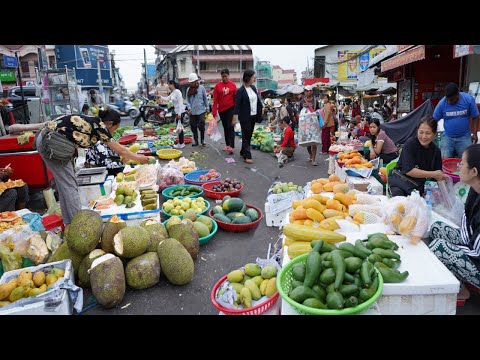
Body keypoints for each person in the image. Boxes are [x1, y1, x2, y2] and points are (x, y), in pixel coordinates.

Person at [35, 110, 150, 225]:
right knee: (70, 186)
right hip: (52, 143)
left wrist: (126, 156)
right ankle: (78, 225)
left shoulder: (94, 122)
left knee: (66, 185)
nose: (112, 133)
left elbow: (118, 151)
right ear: (109, 123)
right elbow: (121, 150)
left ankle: (69, 222)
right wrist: (142, 159)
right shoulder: (99, 127)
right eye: (114, 129)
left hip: (51, 140)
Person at [428, 144, 480, 301]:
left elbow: (477, 252)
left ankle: (461, 287)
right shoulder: (474, 189)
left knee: (439, 247)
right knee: (437, 228)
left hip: (478, 257)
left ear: (474, 171)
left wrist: (452, 249)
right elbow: (465, 221)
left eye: (462, 163)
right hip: (473, 246)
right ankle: (461, 284)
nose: (458, 166)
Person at [388, 116, 445, 197]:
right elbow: (409, 170)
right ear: (417, 131)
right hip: (400, 182)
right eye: (421, 132)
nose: (424, 136)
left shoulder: (436, 151)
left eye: (428, 133)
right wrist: (433, 174)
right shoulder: (410, 144)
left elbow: (437, 176)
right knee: (400, 203)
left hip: (418, 187)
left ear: (434, 134)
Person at [433, 82, 480, 159]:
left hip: (464, 137)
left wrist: (474, 133)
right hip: (448, 136)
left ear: (458, 94)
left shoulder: (468, 99)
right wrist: (432, 135)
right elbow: (434, 120)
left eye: (451, 100)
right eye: (447, 99)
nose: (449, 102)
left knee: (467, 160)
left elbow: (476, 116)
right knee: (444, 159)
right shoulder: (442, 103)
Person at [233, 69, 263, 164]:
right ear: (248, 78)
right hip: (244, 116)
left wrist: (260, 111)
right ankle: (247, 156)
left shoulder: (253, 88)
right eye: (253, 77)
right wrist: (235, 116)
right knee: (246, 135)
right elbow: (237, 105)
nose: (254, 79)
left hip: (253, 116)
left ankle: (243, 151)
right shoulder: (240, 91)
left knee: (249, 135)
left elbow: (258, 101)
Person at [85, 110, 125, 176]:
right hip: (96, 173)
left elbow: (112, 151)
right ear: (110, 124)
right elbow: (105, 164)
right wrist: (123, 162)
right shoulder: (98, 139)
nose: (114, 131)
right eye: (115, 129)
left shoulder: (106, 136)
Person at [212, 69, 237, 154]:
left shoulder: (233, 85)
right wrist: (214, 112)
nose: (224, 78)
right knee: (225, 127)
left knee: (230, 127)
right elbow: (215, 100)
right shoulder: (217, 86)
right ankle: (227, 145)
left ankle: (232, 146)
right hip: (222, 110)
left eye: (226, 76)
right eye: (223, 77)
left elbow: (236, 99)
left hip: (231, 108)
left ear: (229, 76)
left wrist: (236, 112)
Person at [298, 85, 321, 166]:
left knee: (314, 142)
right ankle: (311, 155)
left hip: (314, 125)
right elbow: (299, 113)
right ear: (305, 92)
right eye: (307, 91)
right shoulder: (302, 102)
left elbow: (319, 110)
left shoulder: (315, 101)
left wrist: (316, 114)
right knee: (307, 142)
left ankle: (314, 159)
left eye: (310, 90)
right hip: (305, 126)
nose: (309, 92)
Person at [160, 80, 185, 149]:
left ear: (173, 84)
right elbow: (167, 99)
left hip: (180, 112)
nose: (168, 87)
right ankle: (181, 142)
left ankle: (181, 143)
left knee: (179, 128)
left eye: (169, 85)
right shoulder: (173, 92)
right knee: (179, 128)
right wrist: (160, 97)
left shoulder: (177, 92)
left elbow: (180, 103)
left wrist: (179, 114)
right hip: (177, 112)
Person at [186, 73, 209, 147]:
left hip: (201, 111)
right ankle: (196, 141)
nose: (191, 84)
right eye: (190, 82)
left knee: (202, 125)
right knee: (193, 126)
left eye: (192, 82)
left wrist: (207, 108)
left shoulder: (202, 88)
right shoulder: (188, 90)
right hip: (192, 112)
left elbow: (205, 98)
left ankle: (202, 140)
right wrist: (189, 108)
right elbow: (187, 101)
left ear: (196, 81)